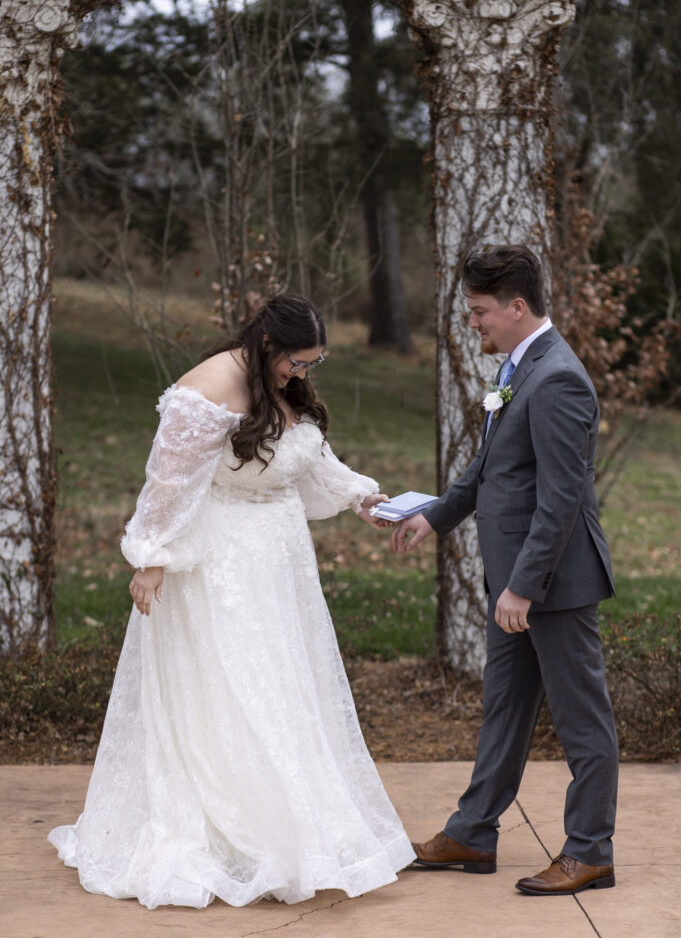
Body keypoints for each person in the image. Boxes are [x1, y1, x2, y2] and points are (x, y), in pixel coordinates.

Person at [49, 294, 414, 909]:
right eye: (298, 363)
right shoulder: (210, 385)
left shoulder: (284, 388)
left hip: (280, 565)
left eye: (312, 365)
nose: (303, 376)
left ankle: (295, 825)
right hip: (222, 566)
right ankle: (234, 836)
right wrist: (152, 558)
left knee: (282, 686)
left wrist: (364, 499)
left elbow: (309, 457)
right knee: (231, 687)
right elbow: (168, 478)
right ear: (269, 346)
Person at [392, 245, 619, 896]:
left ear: (517, 308)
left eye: (479, 311)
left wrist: (522, 585)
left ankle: (590, 850)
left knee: (582, 720)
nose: (472, 323)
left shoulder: (558, 379)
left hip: (550, 583)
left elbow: (559, 498)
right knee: (505, 710)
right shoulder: (522, 367)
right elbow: (493, 467)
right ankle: (471, 833)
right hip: (514, 584)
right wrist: (436, 515)